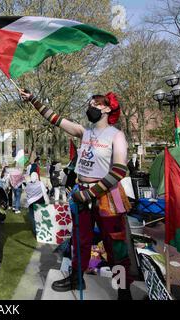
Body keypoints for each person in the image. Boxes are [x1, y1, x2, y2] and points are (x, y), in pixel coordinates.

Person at [20, 89, 133, 300]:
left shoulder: (116, 135)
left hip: (106, 196)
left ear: (108, 109)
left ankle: (123, 289)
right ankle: (76, 277)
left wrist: (91, 193)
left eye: (96, 104)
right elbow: (56, 119)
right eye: (89, 103)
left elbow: (118, 170)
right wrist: (33, 99)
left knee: (115, 244)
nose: (90, 107)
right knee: (80, 241)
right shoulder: (85, 132)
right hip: (80, 193)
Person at [25, 172, 50, 237]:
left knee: (33, 218)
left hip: (31, 203)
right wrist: (47, 201)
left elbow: (27, 192)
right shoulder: (40, 183)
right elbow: (44, 192)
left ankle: (36, 232)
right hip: (40, 202)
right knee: (40, 217)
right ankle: (41, 231)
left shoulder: (28, 184)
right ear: (36, 176)